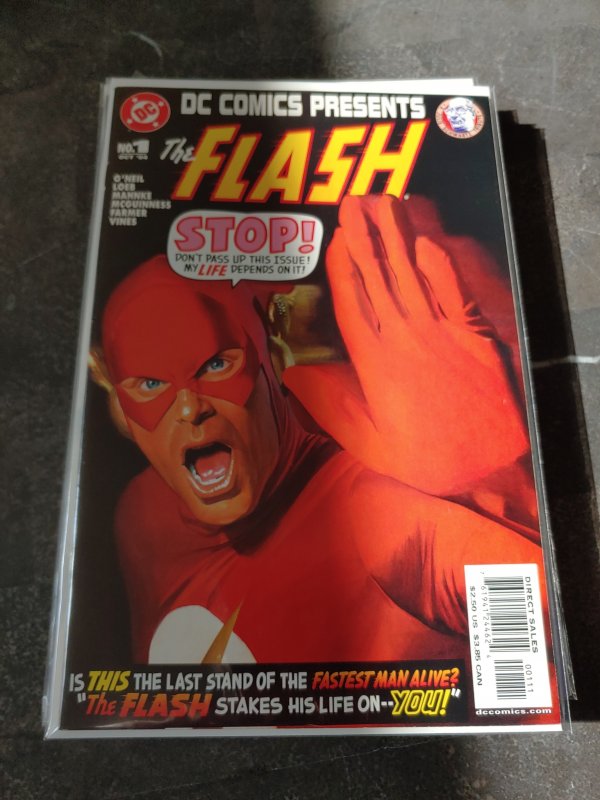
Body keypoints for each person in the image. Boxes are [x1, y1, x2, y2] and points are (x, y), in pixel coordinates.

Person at [89, 194, 544, 665]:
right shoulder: (142, 517)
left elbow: (538, 629)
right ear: (119, 404)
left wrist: (499, 489)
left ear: (272, 362)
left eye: (217, 365)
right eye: (150, 384)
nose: (189, 408)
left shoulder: (374, 515)